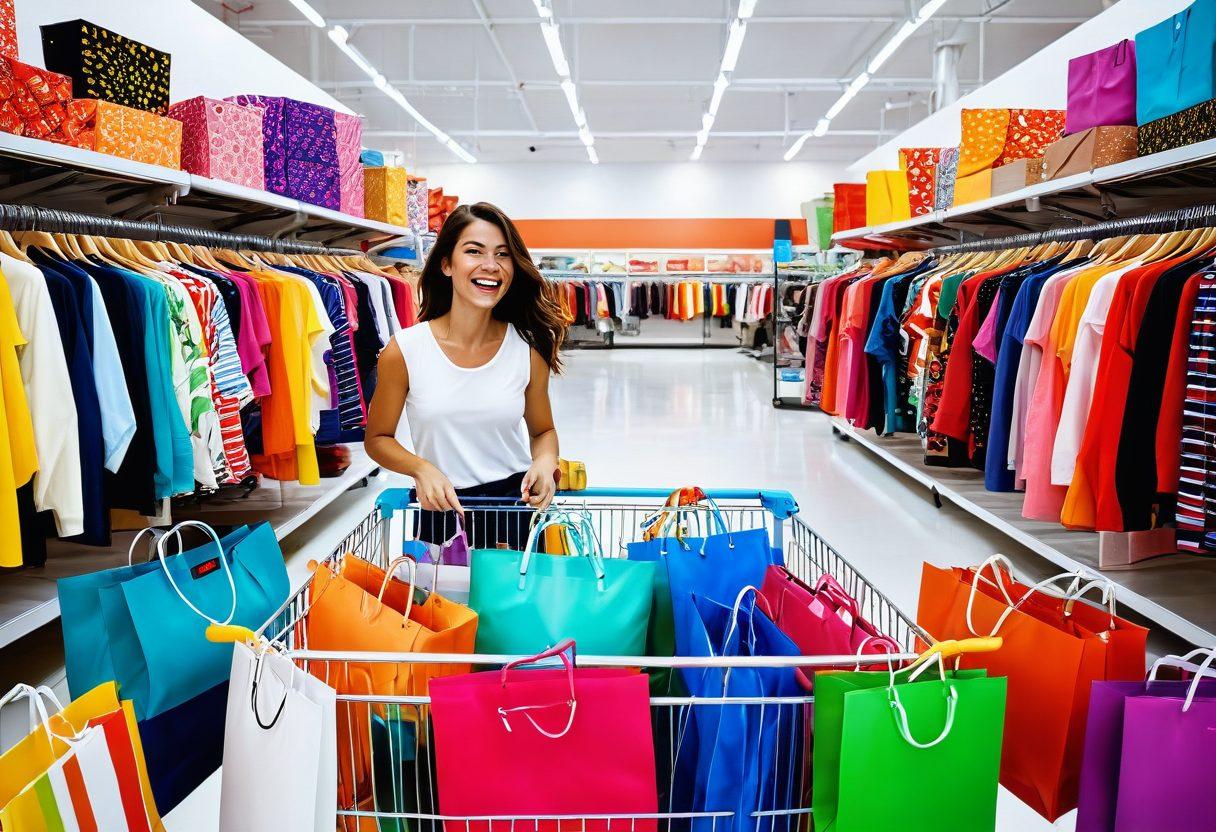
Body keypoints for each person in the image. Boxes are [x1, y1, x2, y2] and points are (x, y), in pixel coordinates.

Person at [365, 202, 566, 549]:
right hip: (441, 508)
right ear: (446, 264)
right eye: (474, 251)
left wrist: (547, 462)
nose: (491, 265)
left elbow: (543, 430)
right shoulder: (407, 349)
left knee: (515, 603)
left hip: (514, 508)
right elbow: (378, 438)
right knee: (445, 603)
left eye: (502, 254)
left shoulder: (527, 347)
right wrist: (421, 469)